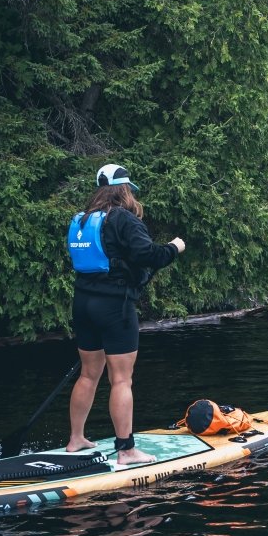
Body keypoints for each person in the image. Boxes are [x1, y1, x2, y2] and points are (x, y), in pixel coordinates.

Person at [66, 163, 185, 466]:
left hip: (83, 304)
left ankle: (76, 439)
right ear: (125, 190)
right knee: (121, 379)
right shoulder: (123, 219)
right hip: (114, 307)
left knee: (88, 374)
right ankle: (126, 451)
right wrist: (174, 247)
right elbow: (149, 255)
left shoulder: (82, 220)